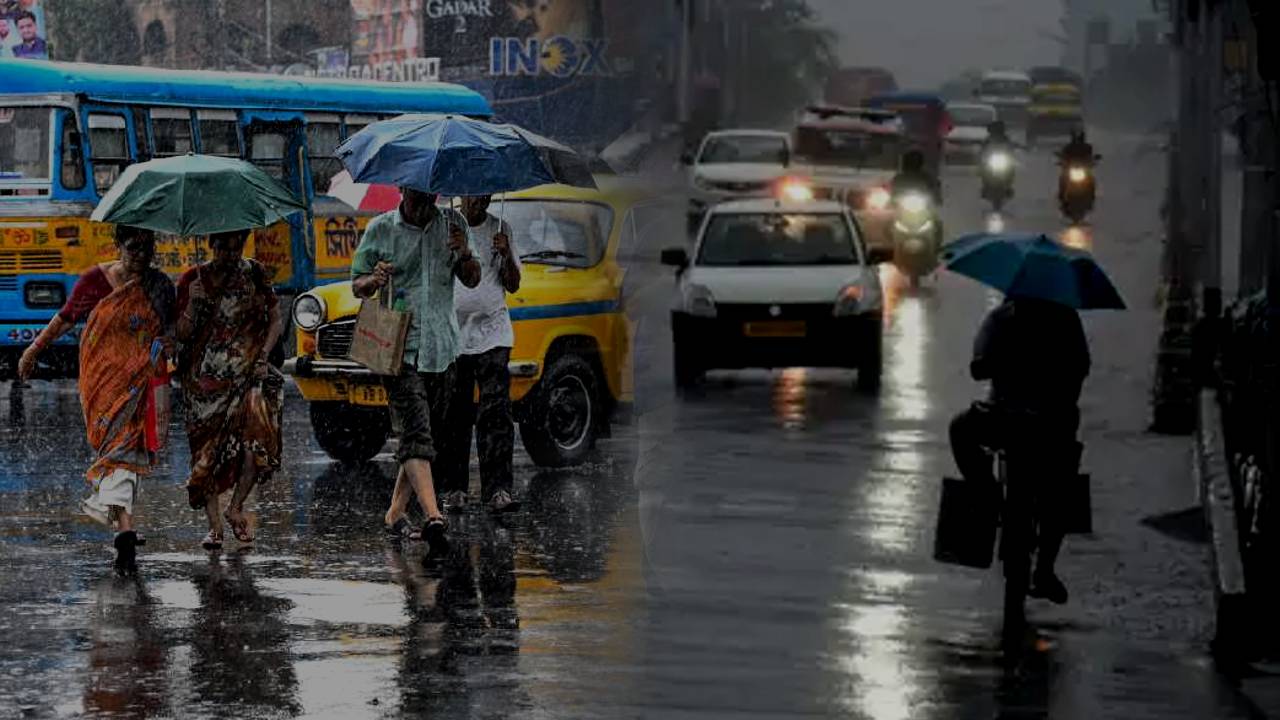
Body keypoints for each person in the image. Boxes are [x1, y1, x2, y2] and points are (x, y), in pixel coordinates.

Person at [16, 225, 175, 575]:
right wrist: (33, 349)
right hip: (102, 384)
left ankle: (125, 532)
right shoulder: (94, 280)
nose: (141, 255)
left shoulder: (160, 286)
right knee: (117, 454)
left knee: (127, 453)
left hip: (141, 383)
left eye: (148, 247)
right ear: (117, 246)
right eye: (133, 247)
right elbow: (65, 319)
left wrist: (172, 349)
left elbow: (171, 331)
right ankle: (125, 529)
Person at [352, 188, 481, 557]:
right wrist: (373, 281)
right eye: (415, 193)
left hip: (443, 346)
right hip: (399, 349)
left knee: (425, 439)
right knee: (416, 433)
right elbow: (357, 284)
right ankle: (433, 516)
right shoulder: (380, 229)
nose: (422, 201)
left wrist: (465, 252)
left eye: (428, 194)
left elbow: (472, 279)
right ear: (402, 190)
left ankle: (394, 513)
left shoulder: (453, 224)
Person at [949, 294, 1091, 604]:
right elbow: (1081, 369)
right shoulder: (1063, 318)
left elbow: (978, 367)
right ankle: (1042, 566)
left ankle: (987, 498)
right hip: (1032, 425)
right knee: (1060, 489)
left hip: (1029, 425)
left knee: (1061, 489)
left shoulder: (1003, 318)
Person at [175, 229, 285, 550]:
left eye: (236, 247)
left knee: (258, 444)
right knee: (206, 455)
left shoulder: (254, 273)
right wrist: (193, 306)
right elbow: (181, 334)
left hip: (250, 377)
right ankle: (214, 528)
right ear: (211, 244)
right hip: (204, 384)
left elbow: (276, 319)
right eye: (223, 247)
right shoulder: (192, 280)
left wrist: (263, 355)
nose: (230, 254)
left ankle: (236, 507)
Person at [438, 195, 522, 514]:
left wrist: (506, 254)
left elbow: (512, 285)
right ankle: (455, 488)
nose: (480, 200)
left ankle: (498, 489)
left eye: (486, 194)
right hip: (454, 336)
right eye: (474, 194)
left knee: (496, 413)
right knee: (454, 415)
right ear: (463, 195)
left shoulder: (501, 228)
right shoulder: (446, 227)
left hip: (495, 333)